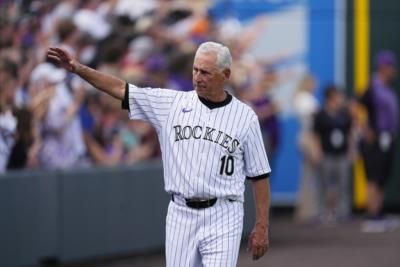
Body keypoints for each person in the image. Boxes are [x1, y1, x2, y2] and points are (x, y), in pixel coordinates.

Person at [47, 41, 271, 266]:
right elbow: (120, 88)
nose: (197, 77)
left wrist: (262, 225)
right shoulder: (171, 103)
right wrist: (78, 68)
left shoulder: (245, 117)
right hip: (181, 212)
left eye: (205, 72)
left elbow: (259, 175)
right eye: (195, 70)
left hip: (224, 212)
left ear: (226, 74)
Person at [359, 50, 399, 232]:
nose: (394, 70)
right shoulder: (372, 86)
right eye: (391, 66)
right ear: (383, 67)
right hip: (376, 139)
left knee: (382, 177)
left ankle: (379, 213)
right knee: (374, 178)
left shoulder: (387, 88)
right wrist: (366, 129)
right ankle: (371, 216)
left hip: (387, 138)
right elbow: (355, 105)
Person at [313, 86, 354, 224]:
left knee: (344, 183)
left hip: (341, 154)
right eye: (338, 96)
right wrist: (317, 151)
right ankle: (323, 212)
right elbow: (316, 135)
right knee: (324, 184)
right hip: (326, 154)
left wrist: (351, 150)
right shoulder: (321, 115)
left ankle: (343, 212)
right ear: (330, 98)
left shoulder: (345, 114)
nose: (341, 99)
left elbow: (349, 134)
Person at [292, 74, 320, 223]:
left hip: (308, 137)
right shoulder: (304, 98)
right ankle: (307, 212)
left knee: (309, 175)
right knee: (309, 175)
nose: (315, 85)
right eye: (313, 82)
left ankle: (308, 210)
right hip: (308, 138)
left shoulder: (304, 97)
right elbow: (314, 116)